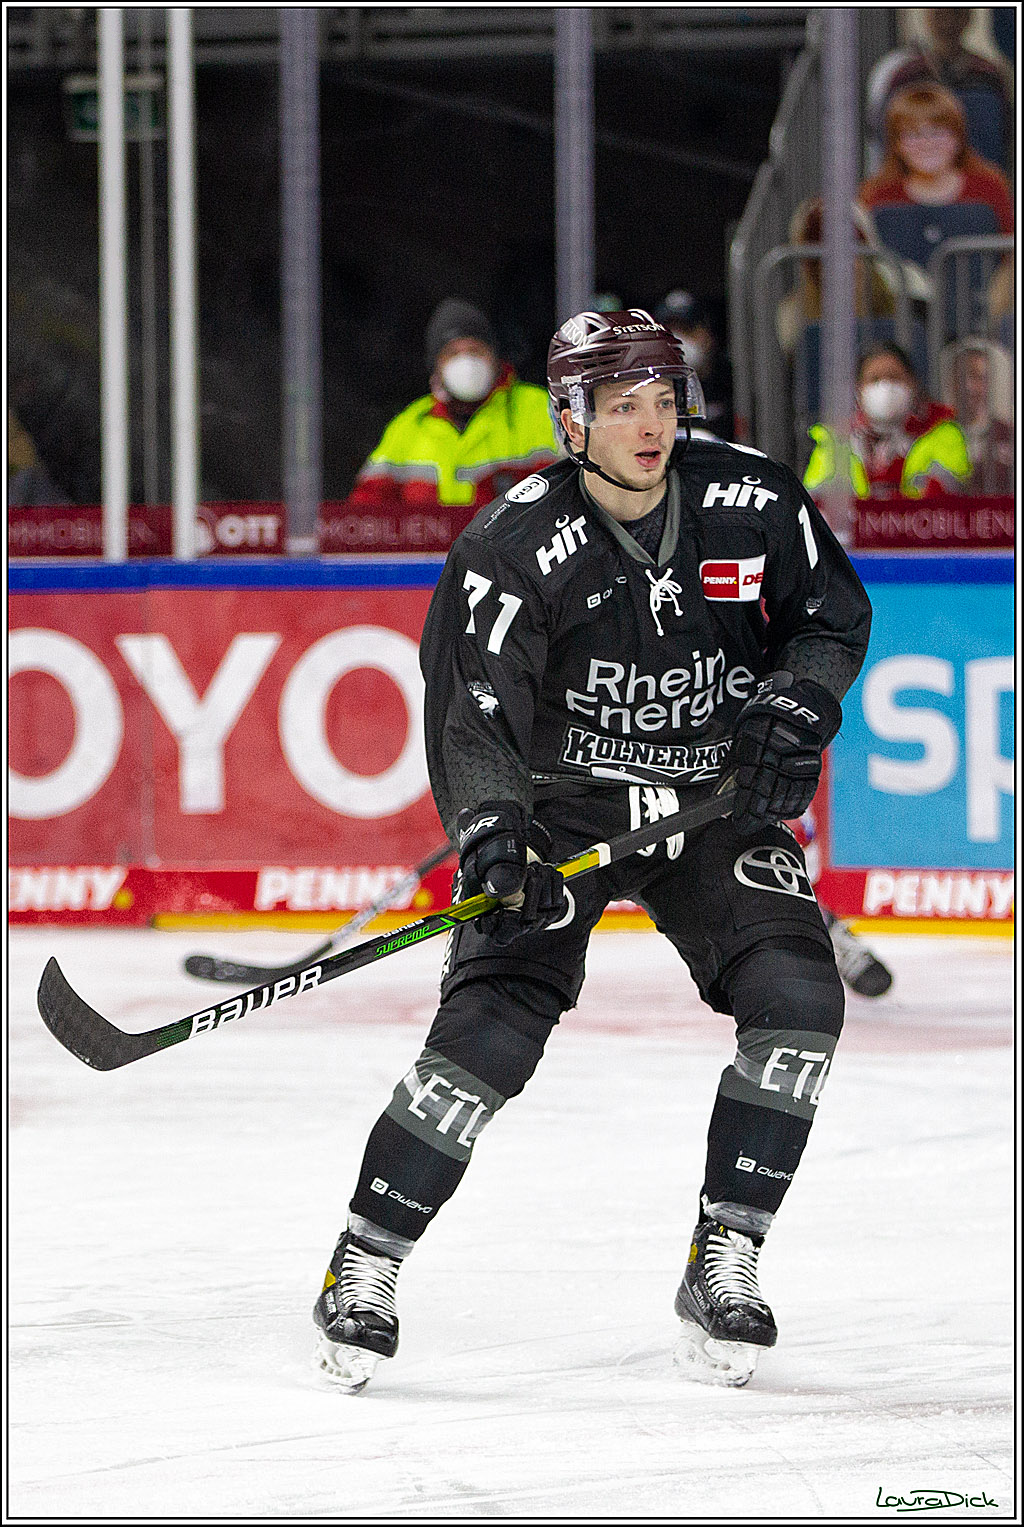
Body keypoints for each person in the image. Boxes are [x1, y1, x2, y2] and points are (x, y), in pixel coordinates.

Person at [311, 308, 872, 1393]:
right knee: (489, 1033)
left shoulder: (753, 499)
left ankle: (725, 1253)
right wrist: (492, 829)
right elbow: (475, 711)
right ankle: (364, 1258)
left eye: (664, 400)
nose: (651, 425)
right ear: (571, 420)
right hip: (563, 810)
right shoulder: (510, 546)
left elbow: (829, 617)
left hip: (706, 802)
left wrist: (798, 702)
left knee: (801, 999)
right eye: (623, 406)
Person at [342, 298, 559, 523]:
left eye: (475, 350)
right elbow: (364, 518)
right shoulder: (408, 427)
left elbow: (568, 496)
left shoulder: (540, 410)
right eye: (453, 353)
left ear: (495, 357)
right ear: (436, 364)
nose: (466, 363)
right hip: (431, 547)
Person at [804, 341, 971, 502]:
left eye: (894, 377)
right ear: (859, 390)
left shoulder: (943, 432)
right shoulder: (834, 441)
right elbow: (814, 503)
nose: (885, 387)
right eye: (874, 379)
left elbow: (951, 497)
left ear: (912, 384)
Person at [866, 9, 1014, 173]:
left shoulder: (989, 76)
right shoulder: (906, 76)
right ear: (927, 18)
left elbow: (1007, 139)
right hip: (915, 180)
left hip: (978, 179)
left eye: (956, 14)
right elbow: (885, 136)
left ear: (968, 18)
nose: (948, 23)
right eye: (939, 15)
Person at [655, 288, 734, 439]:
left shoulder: (732, 383)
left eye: (686, 329)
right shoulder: (653, 388)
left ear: (708, 334)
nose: (678, 340)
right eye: (669, 332)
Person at [946, 340, 1015, 496]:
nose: (968, 386)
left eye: (978, 377)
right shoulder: (934, 436)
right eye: (961, 376)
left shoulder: (1009, 436)